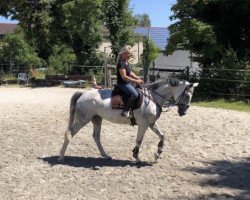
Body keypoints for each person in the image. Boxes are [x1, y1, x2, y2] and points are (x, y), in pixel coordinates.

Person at [116, 45, 144, 117]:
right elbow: (124, 77)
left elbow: (131, 73)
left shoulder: (126, 62)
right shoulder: (121, 63)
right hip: (122, 84)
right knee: (135, 94)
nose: (130, 55)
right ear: (123, 53)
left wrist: (138, 79)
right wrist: (135, 81)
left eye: (130, 54)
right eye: (128, 53)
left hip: (128, 83)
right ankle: (125, 111)